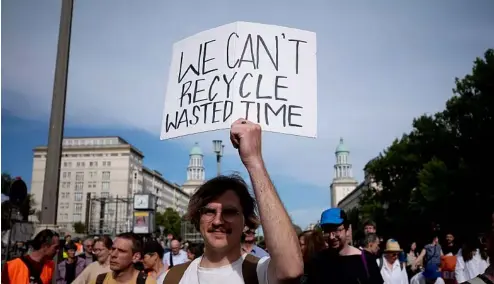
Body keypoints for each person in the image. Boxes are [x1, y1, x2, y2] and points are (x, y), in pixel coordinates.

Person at [163, 119, 303, 284]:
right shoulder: (173, 277)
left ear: (246, 222)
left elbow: (291, 269)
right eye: (209, 211)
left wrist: (254, 161)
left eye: (229, 212)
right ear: (197, 218)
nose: (217, 221)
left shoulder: (259, 271)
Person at [305, 208, 384, 284]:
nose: (331, 236)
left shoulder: (366, 260)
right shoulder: (317, 261)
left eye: (336, 230)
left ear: (347, 230)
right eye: (327, 231)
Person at [89, 233, 156, 284]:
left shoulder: (147, 282)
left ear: (135, 257)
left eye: (121, 251)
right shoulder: (99, 281)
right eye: (113, 249)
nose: (113, 254)